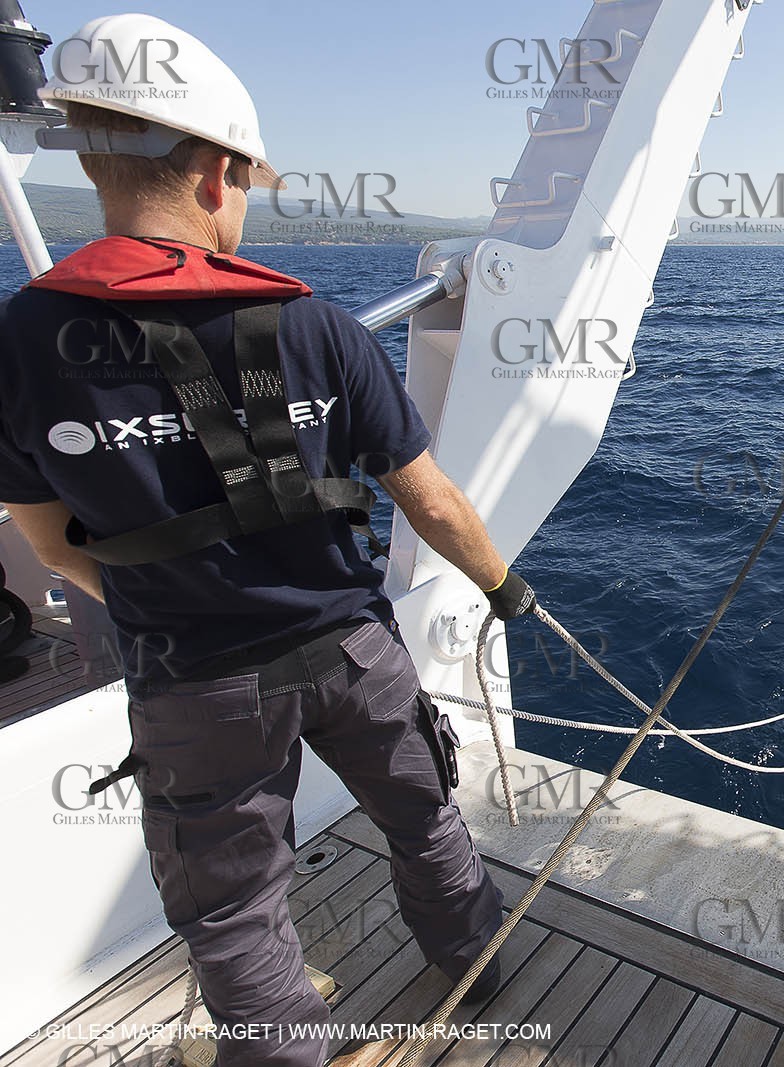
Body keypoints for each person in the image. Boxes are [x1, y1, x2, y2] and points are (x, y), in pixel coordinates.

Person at [0, 14, 535, 1067]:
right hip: (352, 652)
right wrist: (507, 589)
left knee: (238, 906)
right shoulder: (316, 325)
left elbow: (53, 546)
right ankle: (474, 960)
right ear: (214, 173)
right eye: (245, 180)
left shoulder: (23, 341)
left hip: (189, 680)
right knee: (424, 815)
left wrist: (169, 599)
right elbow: (430, 502)